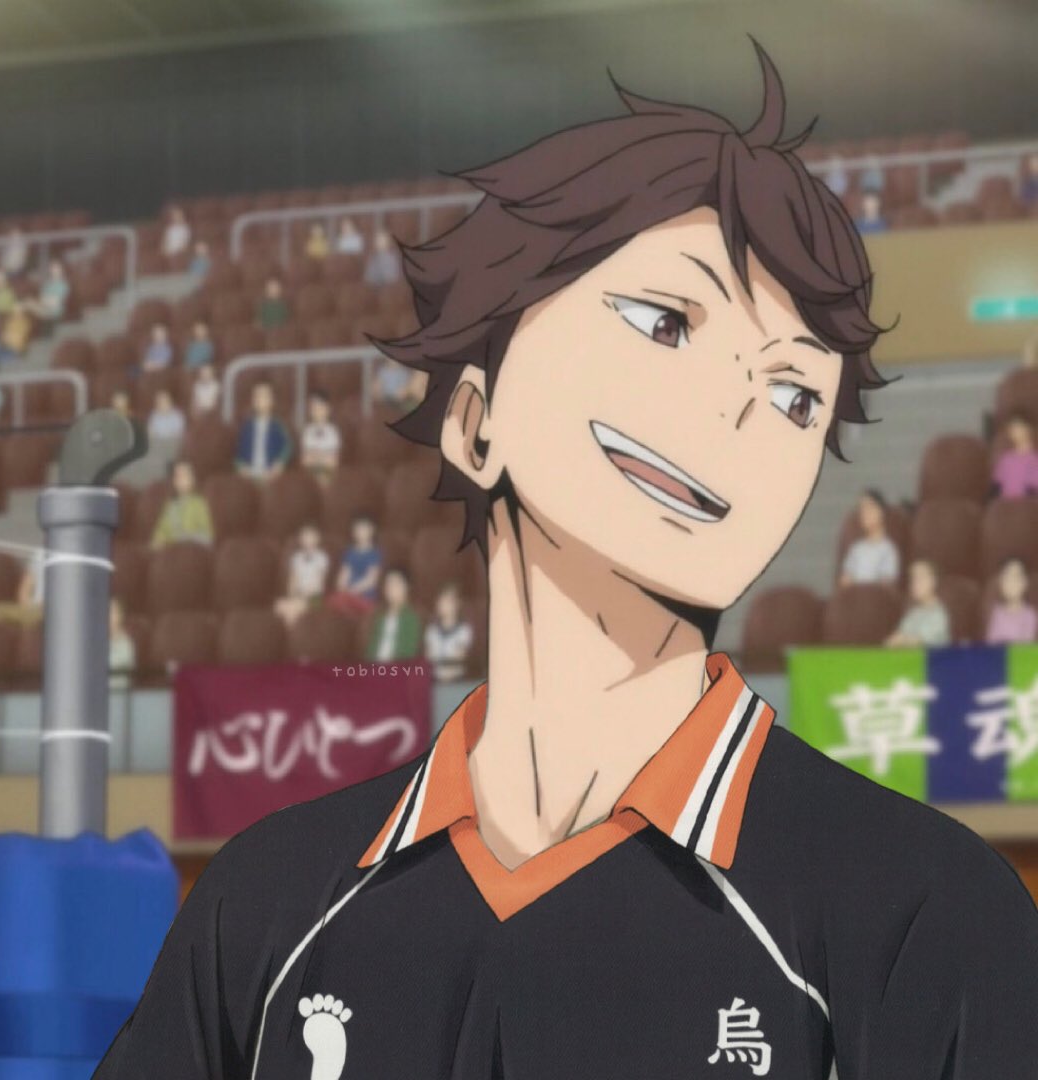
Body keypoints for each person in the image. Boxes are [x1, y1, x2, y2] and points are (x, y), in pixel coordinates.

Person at [94, 45, 1038, 1080]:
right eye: (664, 322)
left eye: (793, 394)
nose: (735, 415)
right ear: (475, 420)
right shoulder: (263, 907)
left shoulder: (930, 913)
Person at [838, 489, 900, 586]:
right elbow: (845, 581)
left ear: (881, 512)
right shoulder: (856, 548)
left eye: (869, 508)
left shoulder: (888, 549)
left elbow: (886, 584)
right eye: (861, 509)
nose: (865, 514)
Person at [885, 559, 952, 647]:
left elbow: (918, 642)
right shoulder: (913, 613)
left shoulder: (940, 614)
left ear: (934, 581)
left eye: (921, 577)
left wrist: (901, 640)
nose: (915, 583)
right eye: (912, 578)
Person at [234, 380, 292, 481]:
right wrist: (241, 467)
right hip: (250, 473)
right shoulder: (246, 426)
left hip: (270, 473)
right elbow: (238, 452)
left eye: (264, 396)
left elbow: (287, 446)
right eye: (256, 396)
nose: (260, 400)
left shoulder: (278, 425)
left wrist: (280, 464)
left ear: (272, 401)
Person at [325, 514, 382, 617]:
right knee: (332, 601)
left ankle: (354, 614)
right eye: (357, 529)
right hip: (347, 595)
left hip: (365, 595)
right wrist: (342, 586)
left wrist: (353, 590)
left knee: (342, 602)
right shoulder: (349, 552)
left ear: (371, 530)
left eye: (364, 529)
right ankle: (348, 614)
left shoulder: (374, 553)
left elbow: (371, 580)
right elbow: (344, 573)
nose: (360, 532)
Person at [274, 525, 331, 627]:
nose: (308, 539)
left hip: (315, 596)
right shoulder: (297, 558)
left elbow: (321, 581)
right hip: (298, 594)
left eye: (311, 536)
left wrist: (309, 593)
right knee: (279, 605)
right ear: (301, 539)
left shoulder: (322, 557)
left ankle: (291, 632)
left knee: (294, 609)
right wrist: (292, 595)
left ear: (317, 538)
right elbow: (293, 579)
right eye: (305, 536)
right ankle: (289, 630)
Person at [150, 460, 213, 550]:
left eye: (185, 475)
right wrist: (157, 543)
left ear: (193, 479)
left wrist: (188, 539)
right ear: (173, 481)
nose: (181, 479)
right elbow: (161, 531)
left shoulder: (199, 503)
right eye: (178, 476)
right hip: (171, 549)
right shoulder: (170, 506)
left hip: (193, 548)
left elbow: (207, 536)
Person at [365, 568, 422, 662]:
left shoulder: (411, 618)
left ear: (407, 587)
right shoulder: (380, 617)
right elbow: (371, 649)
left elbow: (407, 652)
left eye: (395, 584)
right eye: (388, 584)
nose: (390, 588)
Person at [424, 582, 474, 681]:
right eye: (441, 600)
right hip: (434, 680)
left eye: (448, 601)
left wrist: (445, 677)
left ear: (457, 604)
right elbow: (428, 659)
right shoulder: (431, 630)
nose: (443, 605)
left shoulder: (464, 630)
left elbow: (458, 659)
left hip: (456, 680)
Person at [986, 557, 1038, 645]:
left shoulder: (1030, 615)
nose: (1010, 583)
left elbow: (1026, 646)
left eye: (1015, 577)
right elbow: (991, 643)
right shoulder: (995, 612)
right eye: (1006, 578)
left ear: (1025, 583)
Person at [0, 550, 45, 627]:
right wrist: (26, 606)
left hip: (49, 609)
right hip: (32, 607)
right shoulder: (40, 554)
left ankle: (29, 622)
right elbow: (27, 584)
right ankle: (27, 621)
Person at [992, 412, 1038, 499]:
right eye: (1011, 428)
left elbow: (1033, 491)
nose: (1013, 431)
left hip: (1026, 503)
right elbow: (996, 486)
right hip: (1004, 503)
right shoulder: (1005, 458)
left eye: (1018, 427)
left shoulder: (1034, 459)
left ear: (1029, 429)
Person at [299, 390, 341, 484]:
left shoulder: (333, 432)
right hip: (310, 474)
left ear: (328, 409)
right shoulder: (307, 432)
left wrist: (316, 456)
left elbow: (333, 461)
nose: (317, 411)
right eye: (314, 408)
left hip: (328, 475)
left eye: (321, 407)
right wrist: (322, 457)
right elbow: (305, 460)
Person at [108, 598, 137, 692]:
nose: (109, 616)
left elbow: (127, 677)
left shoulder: (126, 644)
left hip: (119, 694)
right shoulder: (92, 643)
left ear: (120, 616)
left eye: (113, 612)